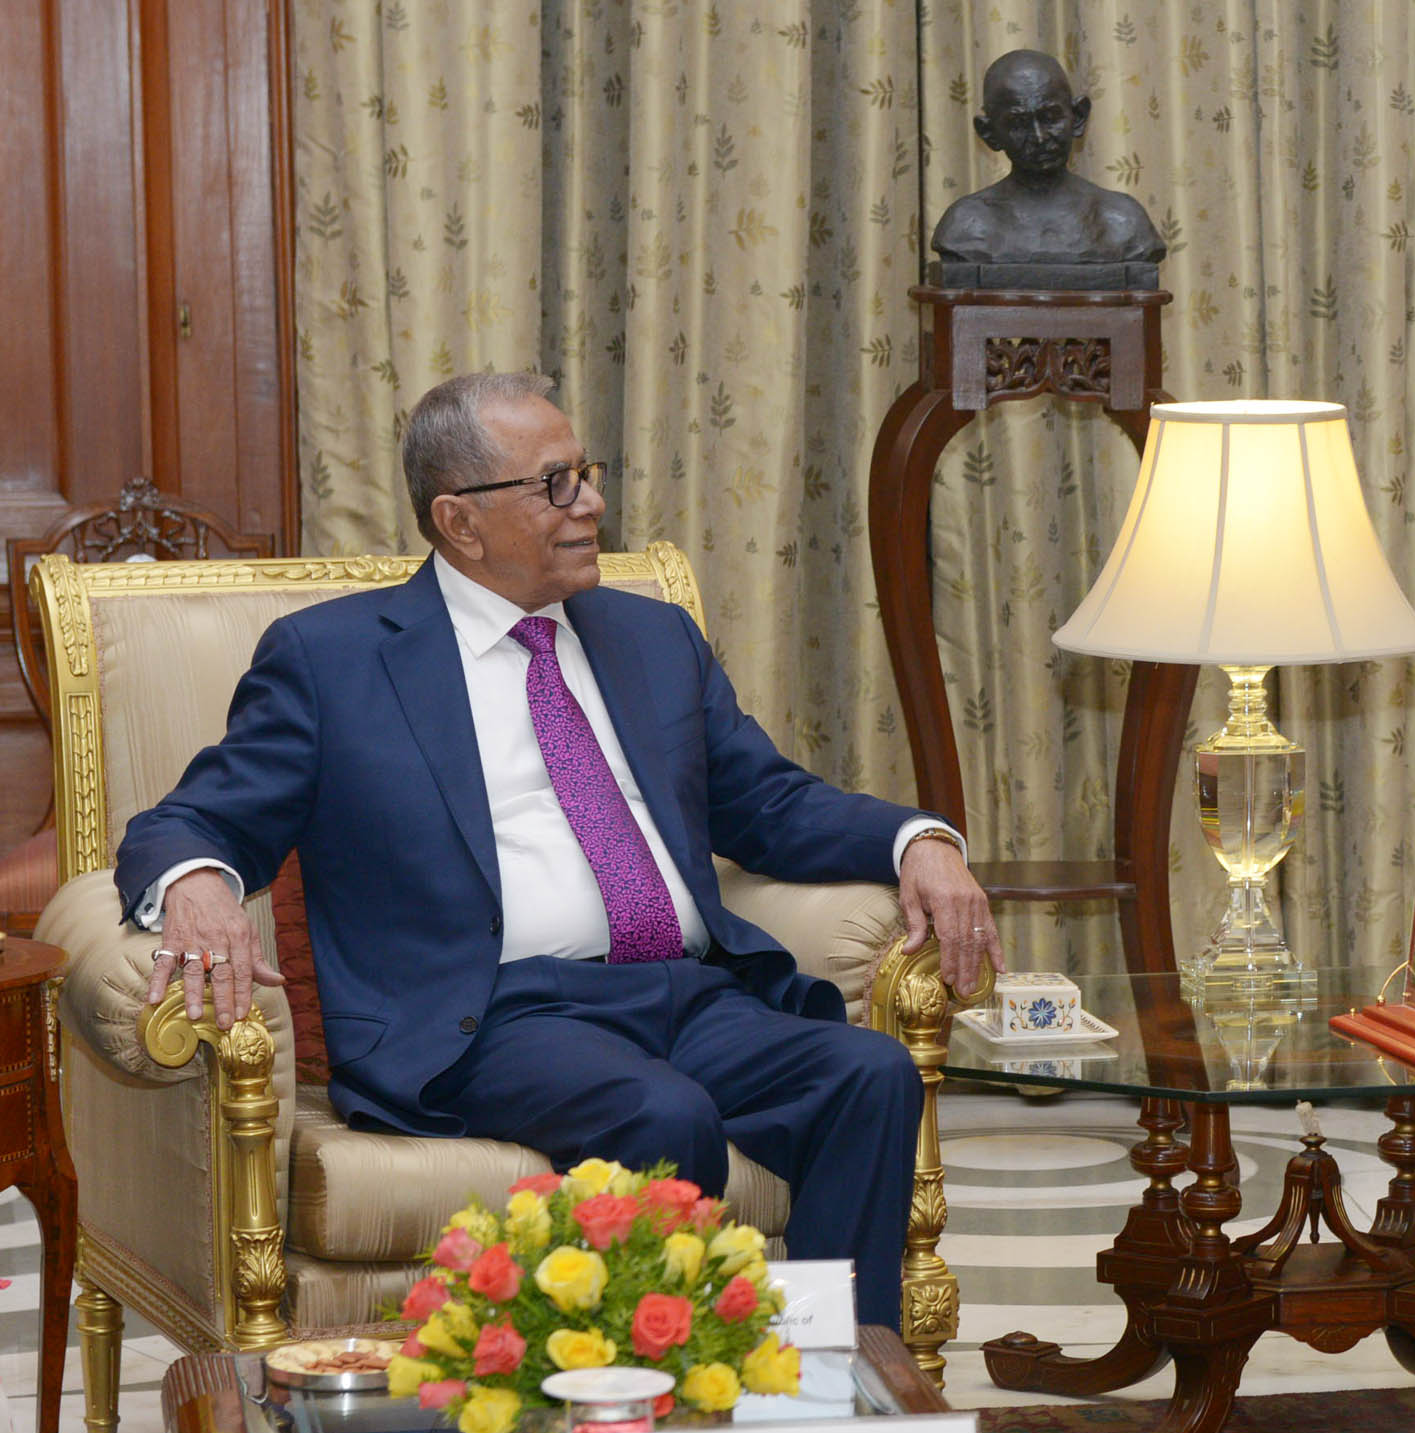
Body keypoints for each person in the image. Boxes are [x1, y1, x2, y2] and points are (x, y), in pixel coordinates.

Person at [114, 371, 1004, 1329]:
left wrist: (920, 840)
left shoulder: (651, 635)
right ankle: (654, 1416)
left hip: (686, 989)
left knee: (865, 1076)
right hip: (494, 1013)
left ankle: (829, 1394)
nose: (591, 503)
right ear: (460, 520)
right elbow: (194, 818)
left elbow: (768, 802)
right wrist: (198, 880)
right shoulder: (333, 660)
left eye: (585, 474)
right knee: (662, 1117)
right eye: (556, 484)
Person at [931, 50, 1167, 269]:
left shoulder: (1122, 223)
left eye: (1050, 117)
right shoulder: (967, 226)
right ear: (989, 133)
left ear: (1078, 117)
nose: (1039, 137)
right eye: (1018, 123)